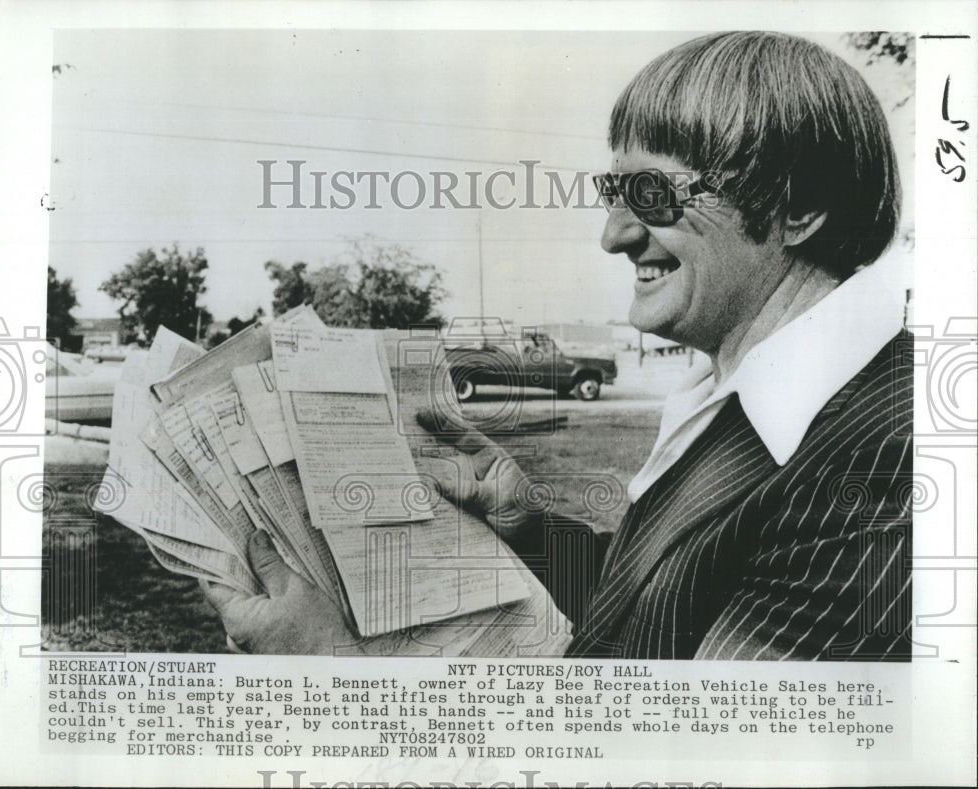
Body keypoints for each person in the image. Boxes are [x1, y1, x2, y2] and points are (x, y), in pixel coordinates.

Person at [204, 31, 913, 660]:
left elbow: (711, 741)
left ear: (798, 205)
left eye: (652, 194)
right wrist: (532, 530)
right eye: (613, 192)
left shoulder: (885, 457)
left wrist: (333, 663)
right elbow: (659, 612)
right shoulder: (758, 398)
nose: (614, 235)